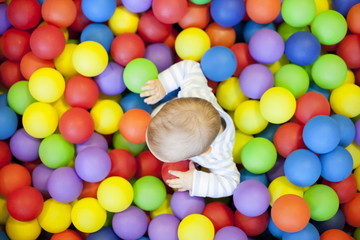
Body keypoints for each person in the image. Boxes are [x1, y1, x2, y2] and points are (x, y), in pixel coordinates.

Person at [140, 60, 240, 198]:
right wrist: (164, 84)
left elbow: (231, 183)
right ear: (178, 101)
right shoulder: (195, 94)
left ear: (203, 152)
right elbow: (190, 67)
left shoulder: (217, 155)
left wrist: (195, 181)